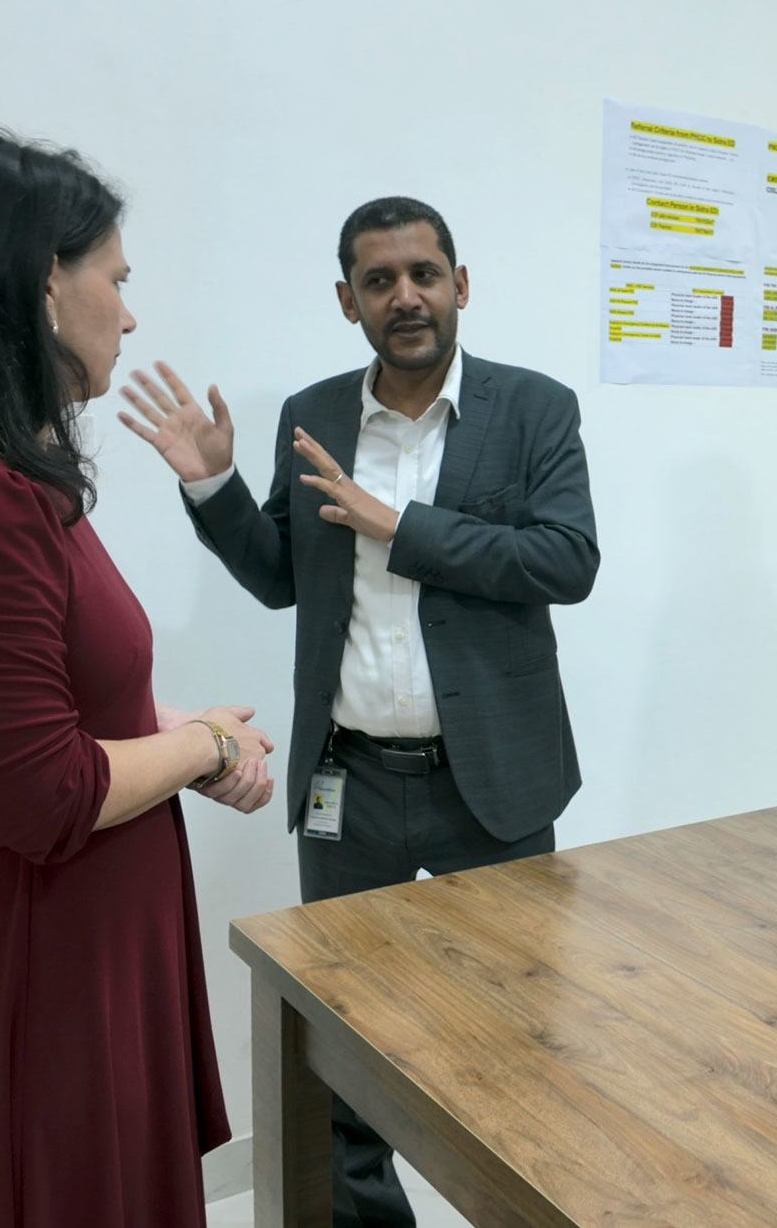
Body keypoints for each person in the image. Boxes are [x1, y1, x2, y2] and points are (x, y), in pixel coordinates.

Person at [0, 129, 277, 1227]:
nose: (127, 313)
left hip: (74, 935)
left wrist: (174, 730)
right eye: (114, 280)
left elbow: (52, 714)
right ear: (41, 284)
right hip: (44, 955)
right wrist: (208, 747)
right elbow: (40, 791)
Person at [121, 195, 598, 1226]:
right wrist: (213, 488)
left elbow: (565, 560)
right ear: (348, 300)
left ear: (460, 284)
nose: (406, 296)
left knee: (512, 1037)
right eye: (379, 281)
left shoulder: (532, 408)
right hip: (350, 785)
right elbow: (282, 576)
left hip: (494, 786)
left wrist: (404, 526)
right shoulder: (317, 413)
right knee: (344, 1050)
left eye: (424, 273)